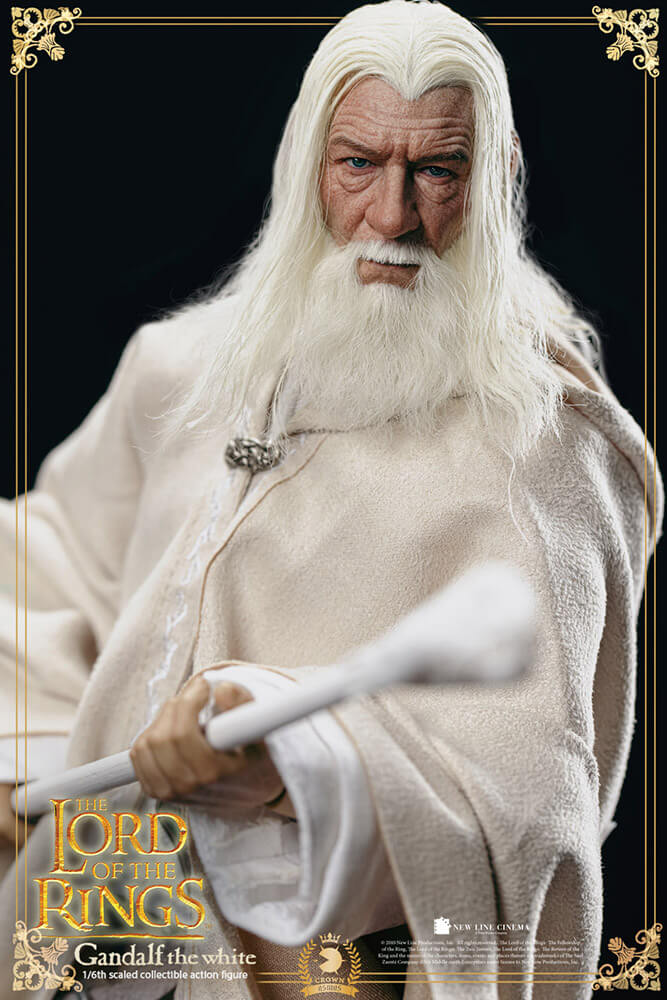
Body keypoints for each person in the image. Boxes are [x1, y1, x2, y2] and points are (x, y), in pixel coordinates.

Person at [0, 2, 661, 998]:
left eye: (436, 171)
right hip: (88, 929)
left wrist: (293, 760)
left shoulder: (543, 447)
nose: (391, 217)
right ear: (307, 161)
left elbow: (533, 801)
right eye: (358, 164)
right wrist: (26, 750)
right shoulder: (181, 367)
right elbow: (48, 556)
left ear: (496, 175)